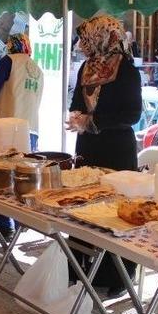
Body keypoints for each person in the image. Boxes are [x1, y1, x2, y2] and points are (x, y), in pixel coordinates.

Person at [66, 15, 142, 298]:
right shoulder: (87, 67)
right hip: (87, 147)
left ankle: (115, 276)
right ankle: (78, 268)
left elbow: (132, 114)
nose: (83, 44)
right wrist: (76, 116)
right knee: (81, 206)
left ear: (103, 37)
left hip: (116, 149)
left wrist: (94, 122)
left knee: (114, 213)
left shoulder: (126, 70)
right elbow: (77, 101)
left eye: (87, 38)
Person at [0, 33, 44, 150]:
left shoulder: (8, 61)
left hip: (7, 128)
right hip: (31, 129)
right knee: (25, 165)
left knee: (3, 165)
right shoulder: (38, 69)